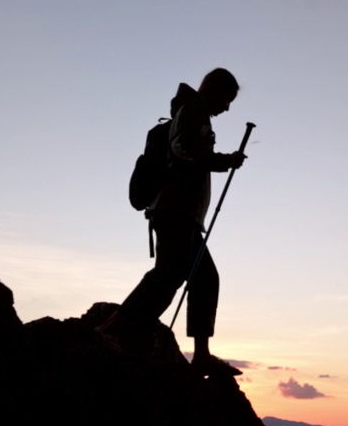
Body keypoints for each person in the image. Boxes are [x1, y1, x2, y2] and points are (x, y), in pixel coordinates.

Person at [103, 68, 246, 376]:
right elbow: (185, 150)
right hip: (174, 209)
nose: (227, 108)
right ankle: (114, 331)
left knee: (204, 278)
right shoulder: (193, 110)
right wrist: (225, 161)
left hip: (185, 214)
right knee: (170, 272)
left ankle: (202, 355)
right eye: (227, 98)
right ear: (214, 90)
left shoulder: (194, 113)